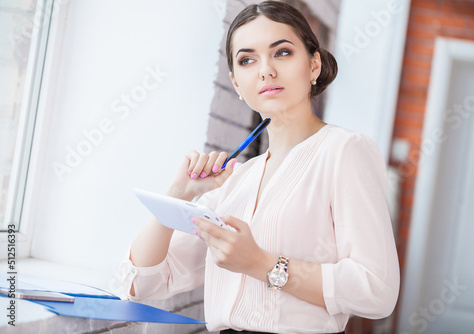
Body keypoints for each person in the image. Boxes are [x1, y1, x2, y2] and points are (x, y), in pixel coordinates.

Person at [118, 1, 400, 333]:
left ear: (313, 65)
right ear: (237, 84)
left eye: (281, 53)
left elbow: (377, 290)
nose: (265, 70)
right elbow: (142, 285)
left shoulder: (345, 151)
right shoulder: (235, 181)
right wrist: (177, 195)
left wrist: (261, 264)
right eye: (247, 60)